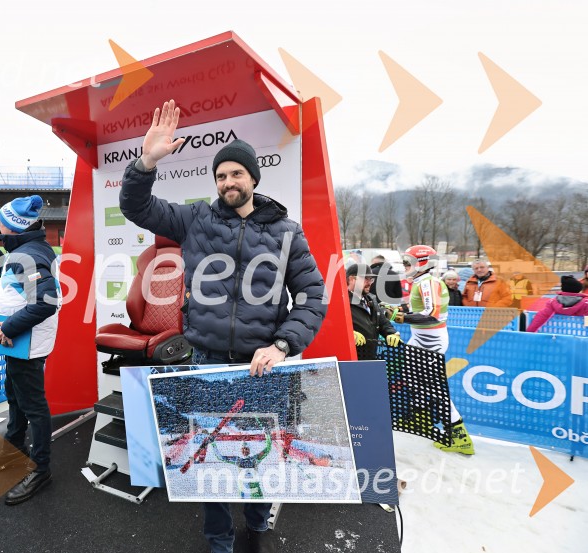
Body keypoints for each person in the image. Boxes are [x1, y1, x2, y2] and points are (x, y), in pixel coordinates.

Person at [120, 100, 327, 553]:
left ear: (253, 178)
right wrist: (147, 161)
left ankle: (258, 527)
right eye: (220, 176)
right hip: (207, 363)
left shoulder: (287, 232)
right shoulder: (195, 219)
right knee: (210, 456)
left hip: (262, 367)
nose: (228, 182)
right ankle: (219, 540)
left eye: (236, 173)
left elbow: (313, 296)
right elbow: (136, 206)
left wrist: (282, 345)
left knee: (259, 455)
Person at [0, 194, 60, 506]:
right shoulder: (28, 248)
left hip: (26, 341)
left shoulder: (29, 255)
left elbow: (46, 302)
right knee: (14, 394)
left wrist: (10, 327)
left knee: (33, 406)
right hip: (21, 340)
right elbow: (8, 275)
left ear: (12, 227)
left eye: (0, 224)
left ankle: (40, 469)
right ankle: (14, 451)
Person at [396, 245, 474, 455]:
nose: (404, 265)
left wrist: (399, 317)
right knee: (412, 379)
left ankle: (460, 436)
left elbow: (432, 314)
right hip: (420, 337)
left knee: (434, 388)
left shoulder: (428, 282)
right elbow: (418, 308)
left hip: (430, 340)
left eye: (408, 262)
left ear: (422, 263)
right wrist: (399, 309)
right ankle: (421, 419)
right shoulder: (421, 281)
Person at [347, 263, 400, 360]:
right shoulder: (341, 301)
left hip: (370, 356)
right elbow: (331, 325)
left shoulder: (371, 299)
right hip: (351, 358)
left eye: (371, 279)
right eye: (365, 279)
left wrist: (391, 333)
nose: (369, 283)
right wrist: (348, 334)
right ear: (352, 279)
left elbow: (383, 322)